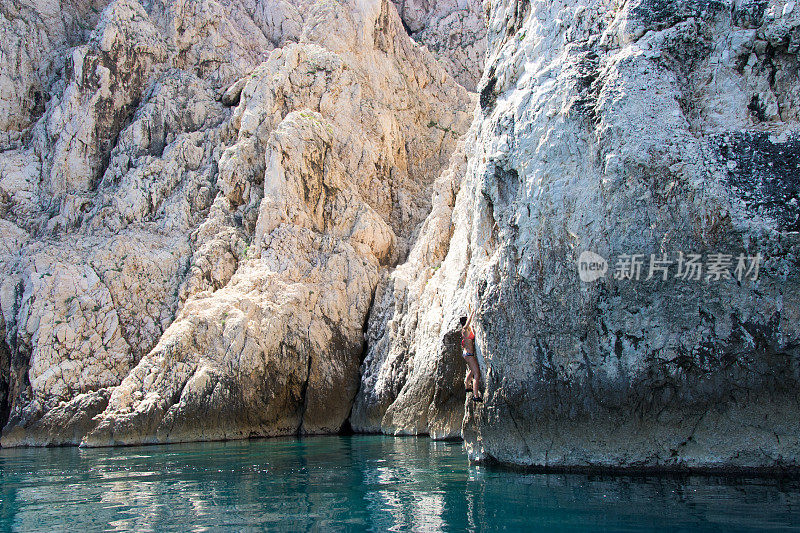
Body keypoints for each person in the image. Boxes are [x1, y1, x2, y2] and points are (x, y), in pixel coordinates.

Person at [460, 307, 482, 402]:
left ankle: (467, 384)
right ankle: (475, 396)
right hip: (469, 354)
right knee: (477, 374)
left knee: (472, 370)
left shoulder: (466, 331)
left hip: (467, 354)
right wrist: (472, 313)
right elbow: (466, 326)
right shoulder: (465, 330)